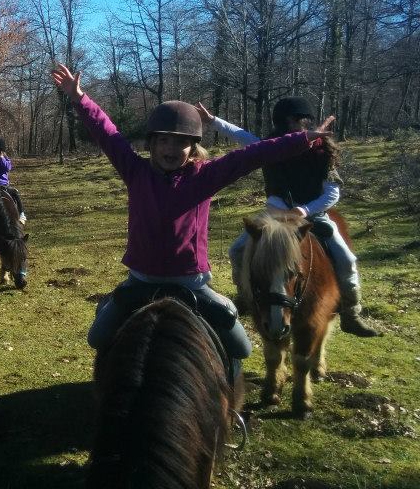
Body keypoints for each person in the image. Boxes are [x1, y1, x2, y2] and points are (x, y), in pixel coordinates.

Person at [51, 64, 330, 377]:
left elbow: (253, 155)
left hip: (191, 282)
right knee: (98, 336)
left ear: (192, 147)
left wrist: (302, 139)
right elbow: (108, 135)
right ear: (152, 144)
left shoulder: (206, 177)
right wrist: (80, 98)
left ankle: (227, 406)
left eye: (180, 143)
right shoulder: (136, 172)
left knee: (241, 347)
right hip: (141, 279)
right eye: (163, 141)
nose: (171, 149)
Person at [196, 97, 379, 337]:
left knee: (346, 260)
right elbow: (242, 136)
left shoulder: (323, 153)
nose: (299, 124)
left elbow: (332, 193)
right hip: (274, 215)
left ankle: (351, 313)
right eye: (294, 120)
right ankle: (246, 296)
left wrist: (303, 211)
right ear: (284, 123)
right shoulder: (271, 147)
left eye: (302, 120)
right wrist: (212, 121)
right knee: (237, 251)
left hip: (314, 215)